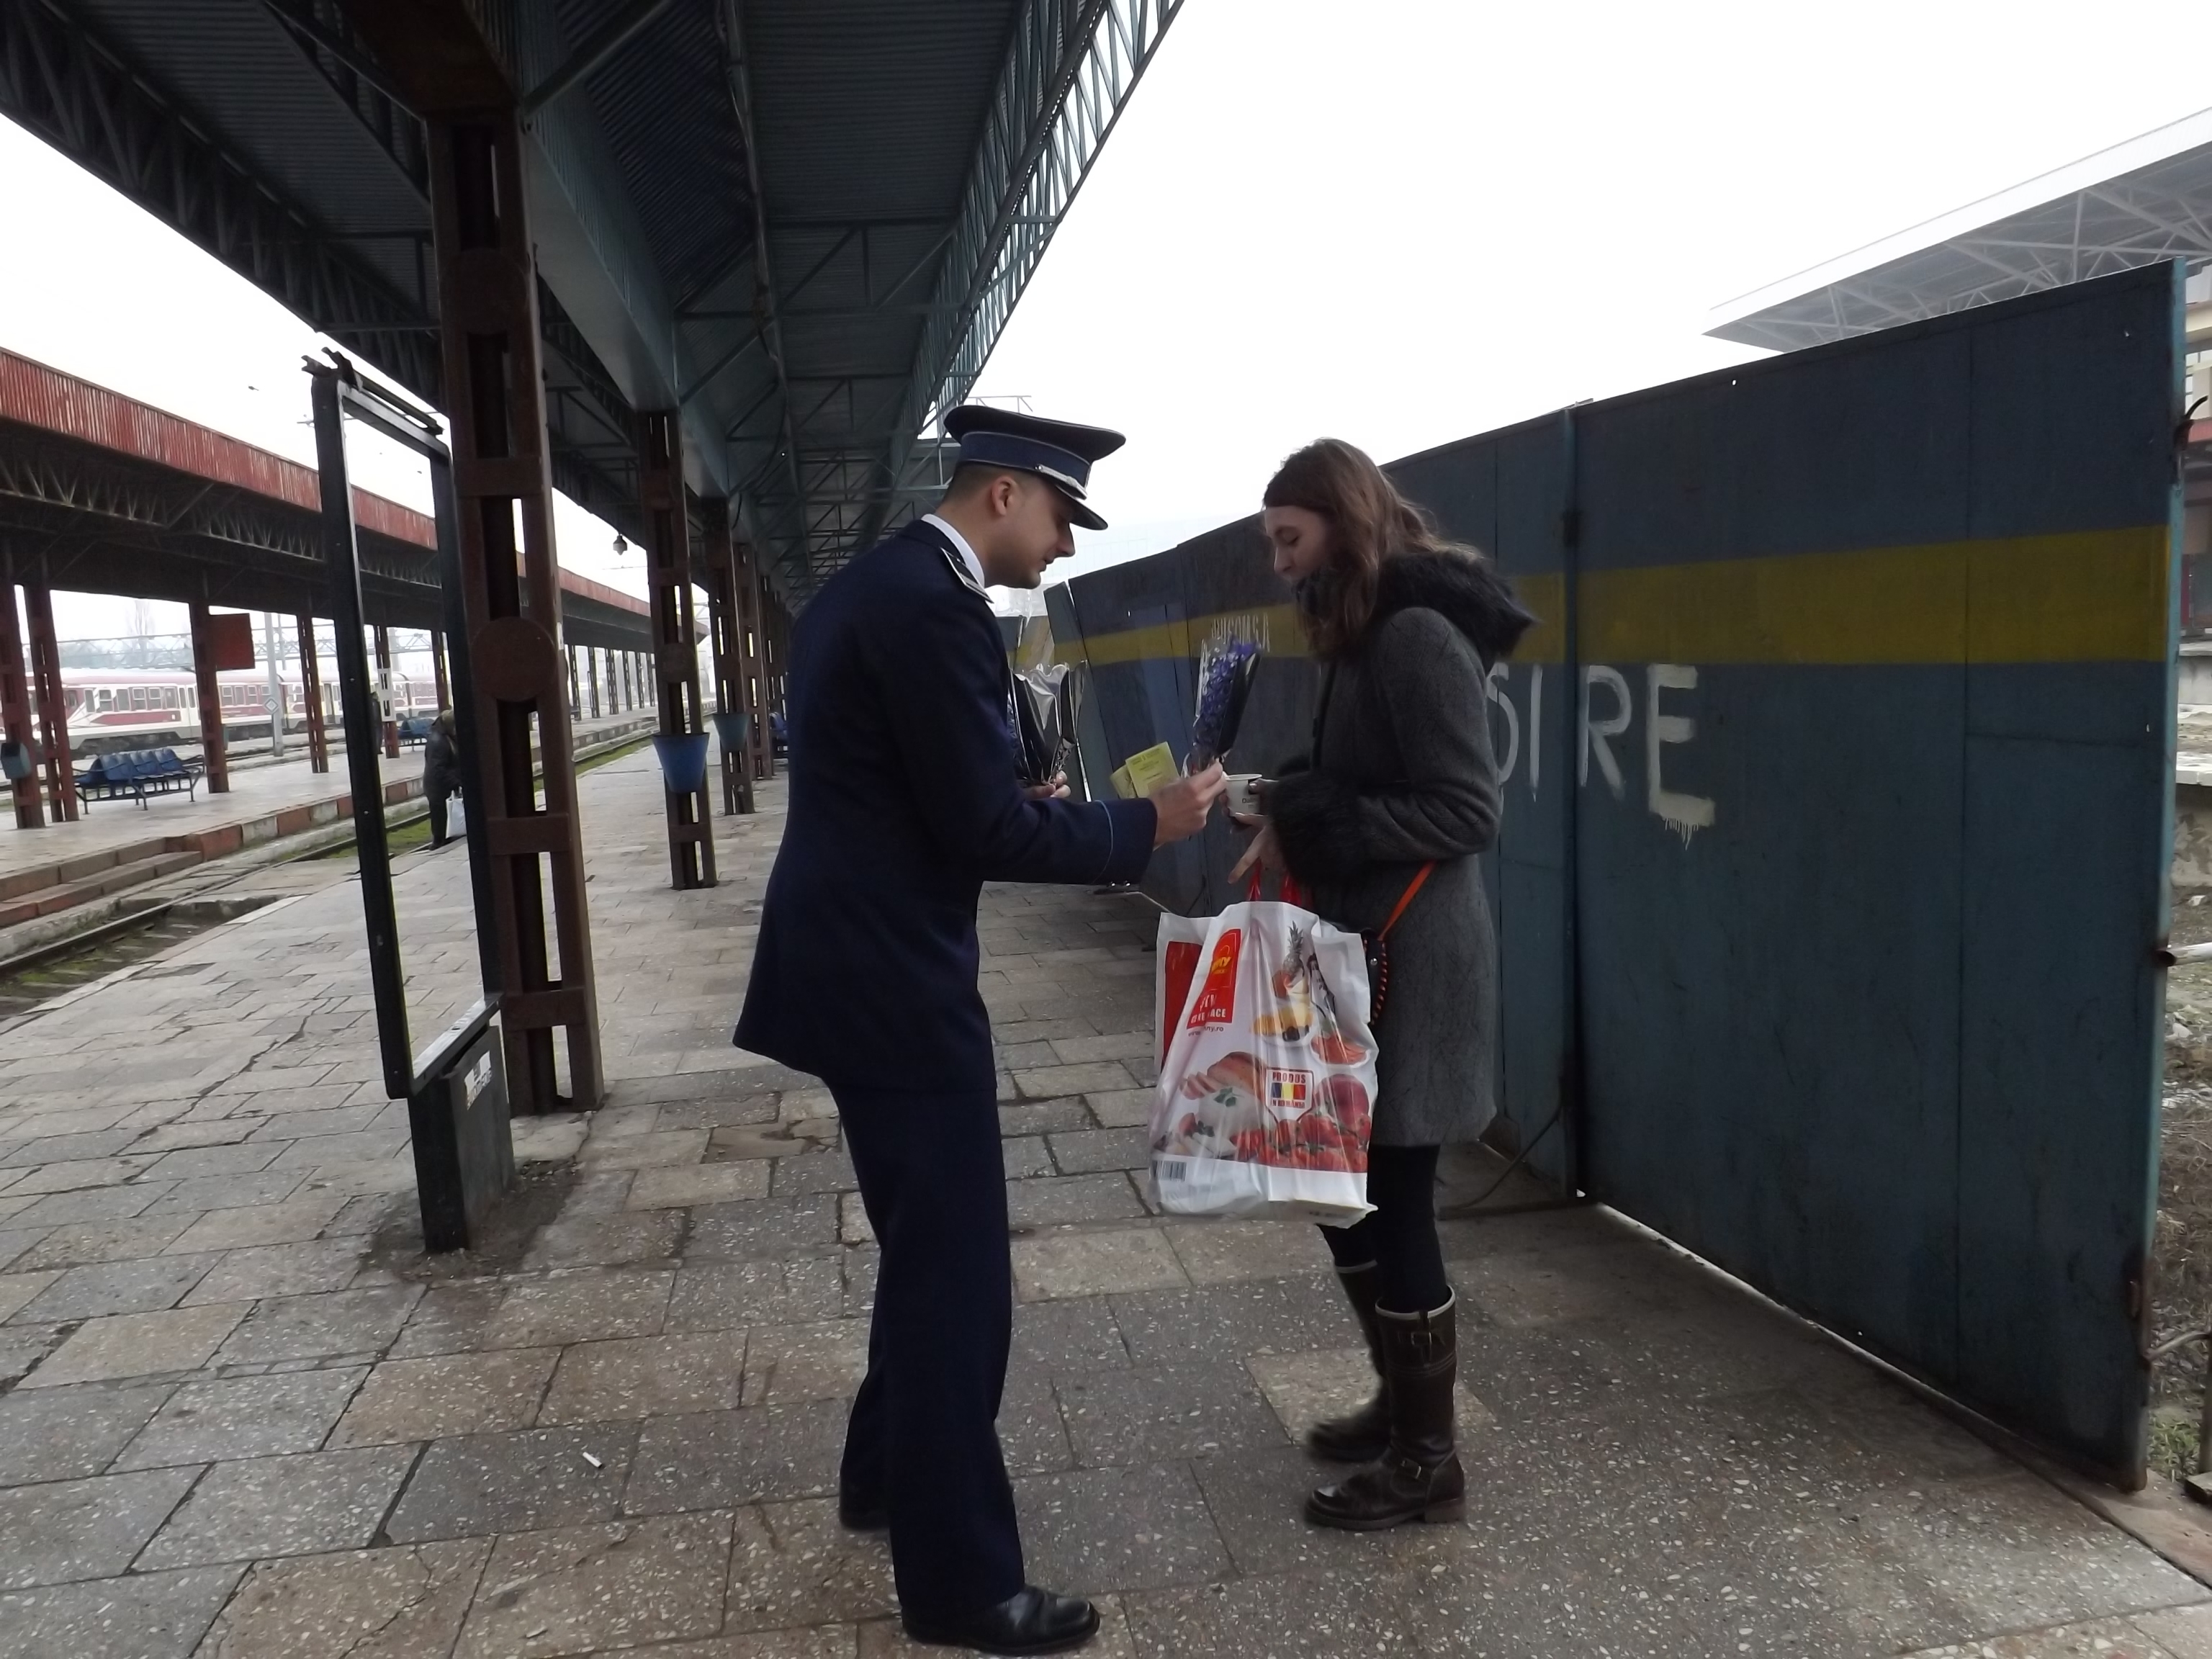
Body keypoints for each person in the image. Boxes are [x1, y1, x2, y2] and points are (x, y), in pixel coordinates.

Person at [735, 406, 1225, 1655]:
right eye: (1062, 516)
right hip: (891, 977)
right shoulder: (934, 606)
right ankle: (959, 1583)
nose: (1064, 546)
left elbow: (932, 786)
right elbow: (983, 834)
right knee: (958, 1276)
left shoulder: (876, 586)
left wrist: (1012, 792)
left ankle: (882, 1474)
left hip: (852, 957)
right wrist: (1143, 824)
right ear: (1005, 492)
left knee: (923, 1243)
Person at [1229, 438, 1533, 1532]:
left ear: (1342, 522)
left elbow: (1467, 813)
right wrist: (1282, 801)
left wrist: (1324, 819)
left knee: (1392, 1197)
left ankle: (1428, 1462)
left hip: (1416, 965)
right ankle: (1400, 1401)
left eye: (1289, 538)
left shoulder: (1412, 636)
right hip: (1370, 955)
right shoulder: (1366, 629)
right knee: (1338, 1193)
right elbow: (1367, 780)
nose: (1279, 563)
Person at [423, 709, 461, 848]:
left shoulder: (446, 737)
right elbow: (438, 769)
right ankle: (439, 843)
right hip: (438, 788)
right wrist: (457, 782)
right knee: (440, 818)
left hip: (444, 785)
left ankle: (444, 840)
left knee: (445, 817)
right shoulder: (438, 741)